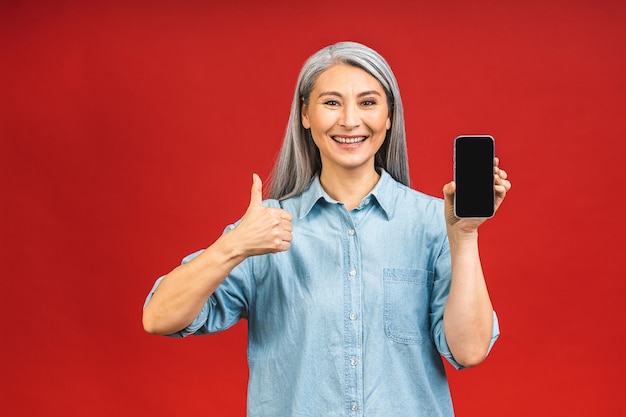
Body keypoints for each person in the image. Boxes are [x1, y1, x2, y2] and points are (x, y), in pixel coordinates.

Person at [142, 41, 511, 417]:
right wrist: (233, 247)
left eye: (368, 103)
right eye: (331, 103)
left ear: (389, 116)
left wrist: (464, 236)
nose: (350, 120)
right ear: (305, 114)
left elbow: (469, 350)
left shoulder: (434, 223)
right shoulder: (265, 227)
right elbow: (159, 318)